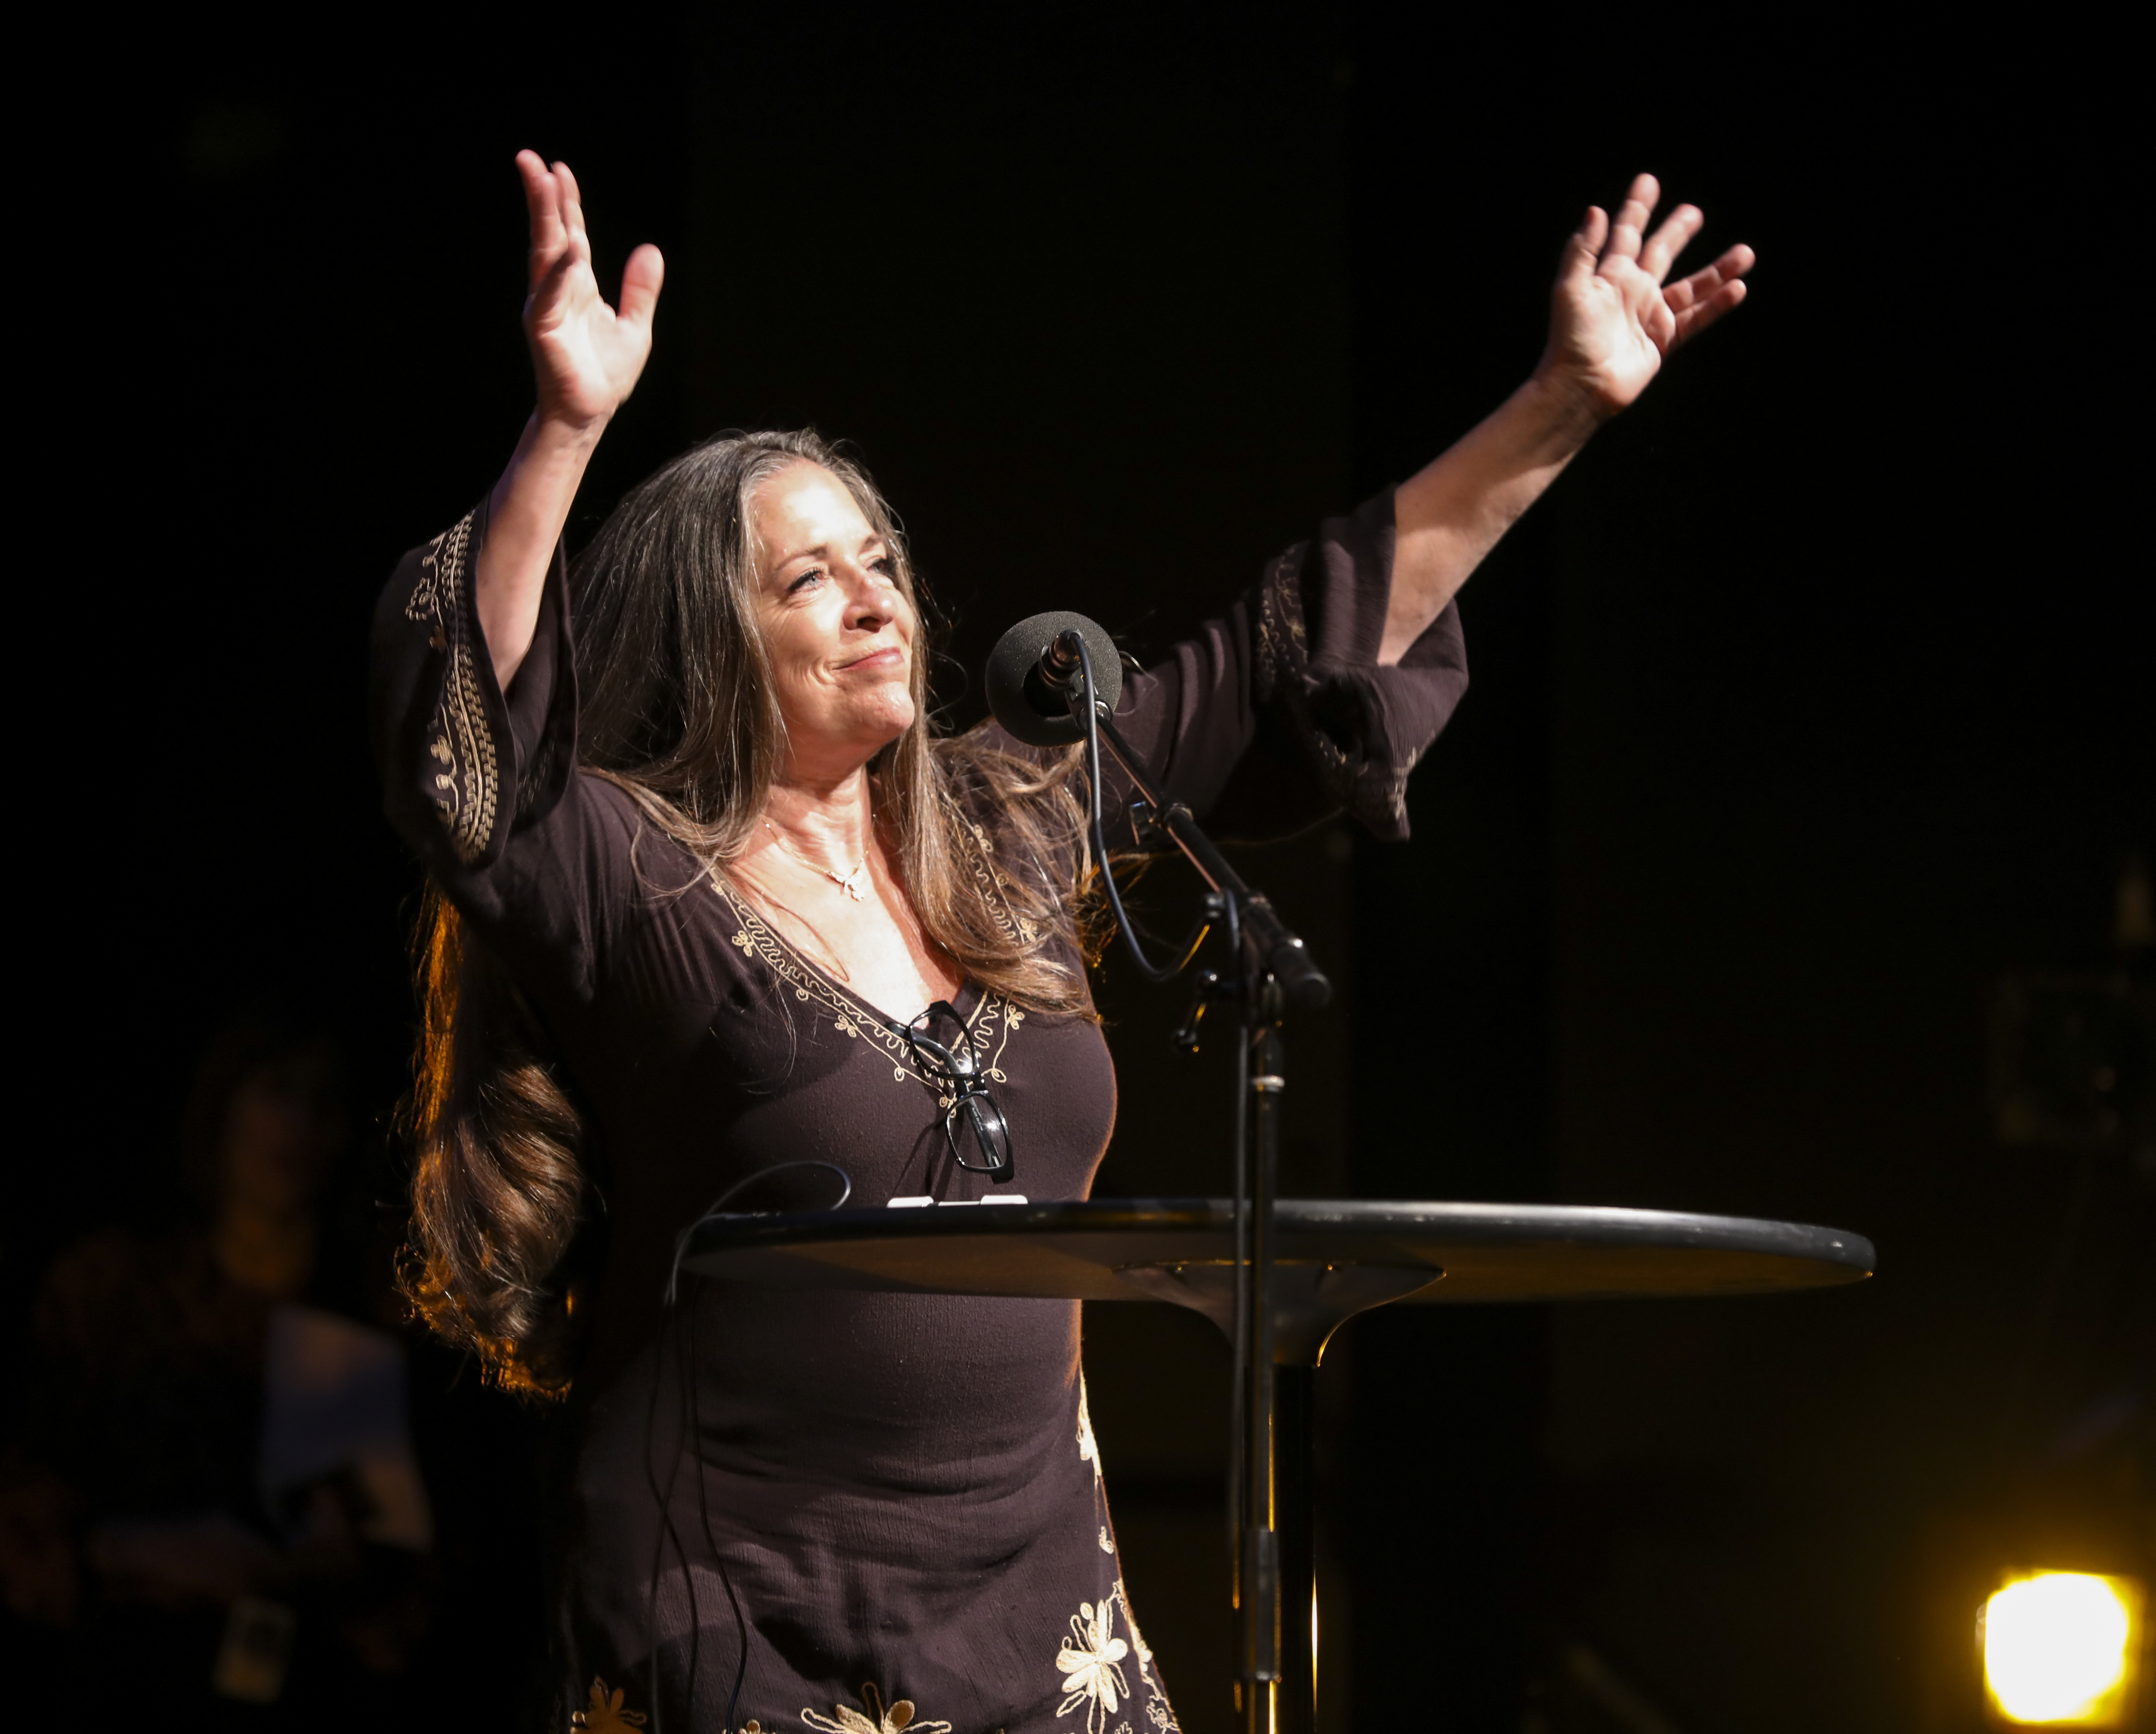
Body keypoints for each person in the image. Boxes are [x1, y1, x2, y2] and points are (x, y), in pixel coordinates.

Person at [372, 149, 1750, 1732]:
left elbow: (1290, 645)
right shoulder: (633, 874)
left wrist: (1562, 400)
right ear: (708, 641)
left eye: (879, 563)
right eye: (806, 581)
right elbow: (461, 755)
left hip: (1041, 1621)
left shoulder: (1003, 828)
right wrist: (564, 431)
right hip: (741, 1613)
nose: (874, 601)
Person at [0, 1007, 439, 1722]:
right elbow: (24, 1501)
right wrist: (134, 1550)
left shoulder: (360, 1321)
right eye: (279, 1090)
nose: (301, 1124)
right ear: (222, 1104)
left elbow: (412, 1581)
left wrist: (336, 1567)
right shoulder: (112, 1291)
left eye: (325, 1102)